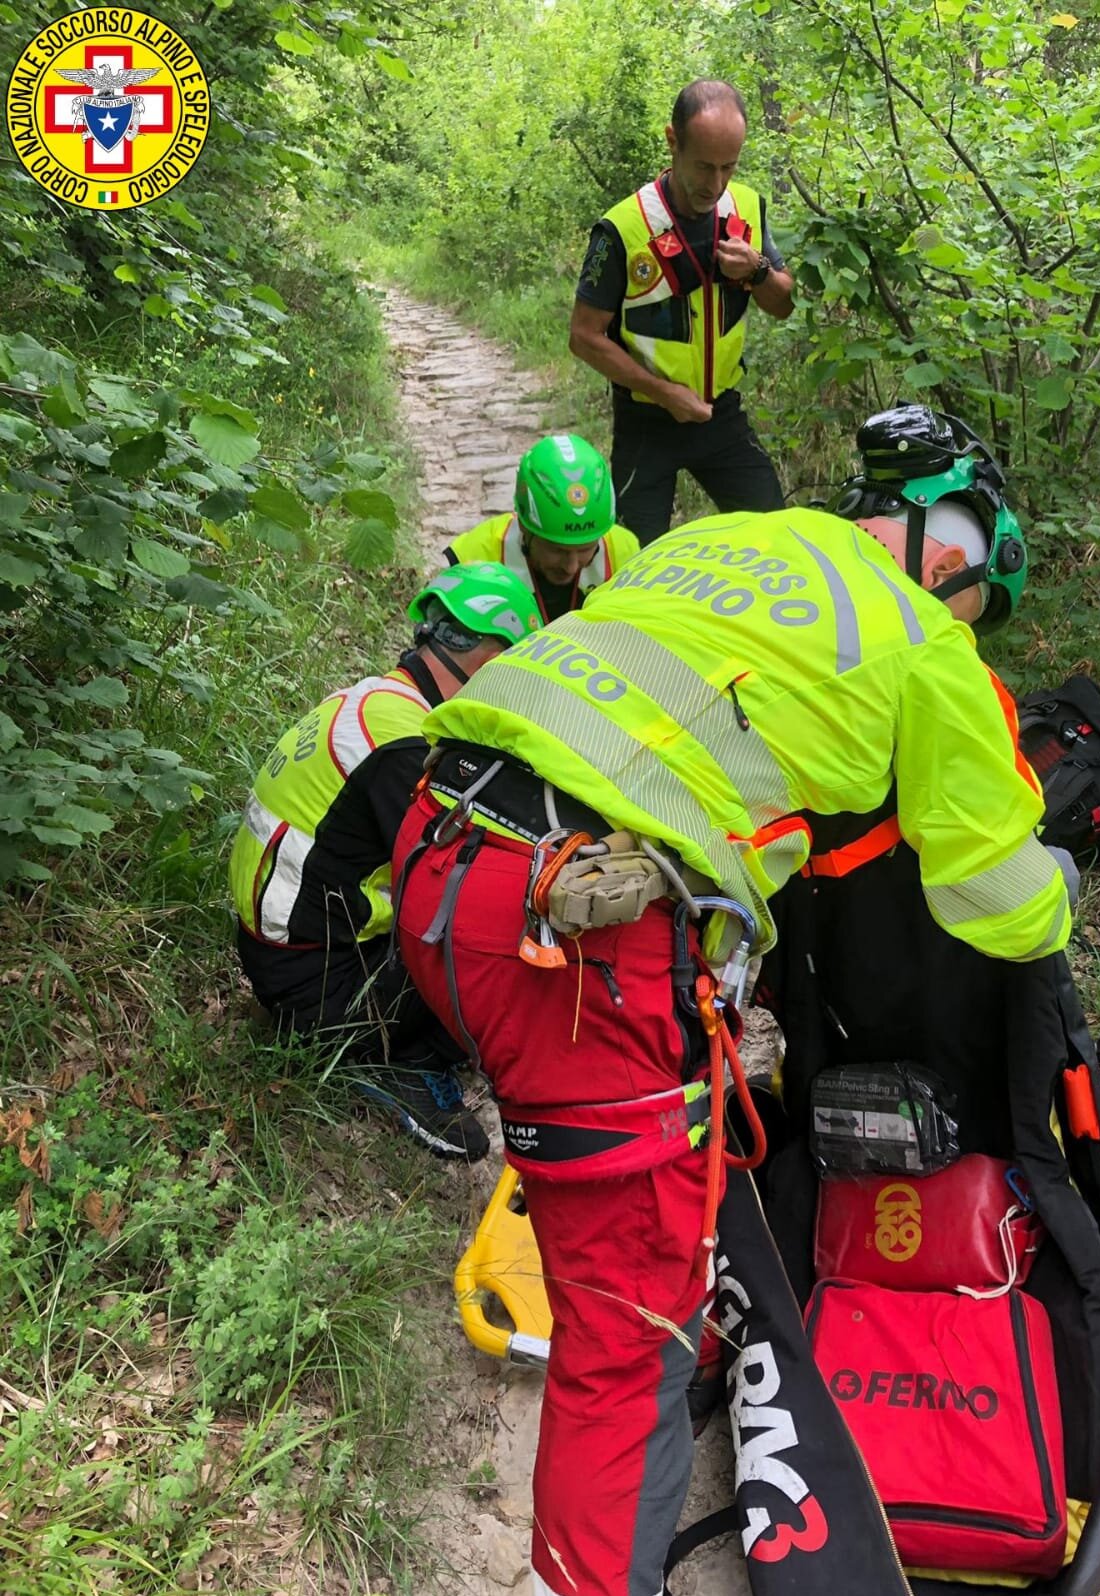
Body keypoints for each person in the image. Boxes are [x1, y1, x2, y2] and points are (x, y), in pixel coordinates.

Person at [389, 406, 1072, 1596]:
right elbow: (998, 904)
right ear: (956, 559)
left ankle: (608, 1233)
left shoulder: (733, 537)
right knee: (626, 1339)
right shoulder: (927, 647)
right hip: (574, 933)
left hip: (443, 855)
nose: (974, 634)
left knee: (630, 1208)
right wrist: (1056, 875)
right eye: (977, 610)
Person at [229, 562, 539, 1161]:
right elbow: (459, 877)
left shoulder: (380, 702)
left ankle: (393, 1034)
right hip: (319, 989)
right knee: (489, 916)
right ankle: (393, 1055)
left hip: (287, 952)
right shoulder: (404, 748)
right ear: (485, 660)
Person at [570, 78, 795, 546]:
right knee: (633, 562)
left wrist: (757, 271)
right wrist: (663, 392)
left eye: (728, 168)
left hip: (722, 415)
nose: (715, 185)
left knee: (778, 541)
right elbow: (584, 336)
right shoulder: (623, 229)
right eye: (704, 167)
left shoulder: (747, 208)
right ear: (673, 141)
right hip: (647, 421)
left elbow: (783, 304)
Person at [445, 433, 639, 623]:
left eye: (585, 549)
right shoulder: (477, 558)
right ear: (524, 527)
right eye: (556, 550)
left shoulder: (625, 554)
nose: (570, 566)